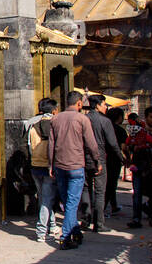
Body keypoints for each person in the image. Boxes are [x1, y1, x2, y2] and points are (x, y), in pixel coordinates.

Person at [46, 91, 100, 249]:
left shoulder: (55, 119)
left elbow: (51, 144)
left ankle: (76, 231)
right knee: (71, 203)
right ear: (79, 103)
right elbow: (91, 143)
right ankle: (65, 237)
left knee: (68, 201)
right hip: (76, 165)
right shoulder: (82, 119)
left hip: (60, 165)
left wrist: (51, 164)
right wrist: (97, 160)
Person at [86, 95, 125, 233]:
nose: (105, 107)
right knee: (99, 191)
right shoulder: (104, 121)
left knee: (86, 189)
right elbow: (113, 143)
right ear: (97, 105)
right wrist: (121, 156)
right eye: (104, 104)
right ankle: (99, 223)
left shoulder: (84, 119)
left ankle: (86, 219)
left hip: (83, 158)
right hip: (100, 158)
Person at [26, 97, 59, 243]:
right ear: (54, 110)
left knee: (44, 197)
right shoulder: (55, 125)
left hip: (35, 165)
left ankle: (52, 225)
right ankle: (41, 231)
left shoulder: (33, 126)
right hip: (49, 167)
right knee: (47, 198)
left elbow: (29, 147)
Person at [105, 107, 127, 216]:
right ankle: (103, 208)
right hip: (115, 160)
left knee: (107, 183)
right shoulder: (120, 130)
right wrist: (127, 158)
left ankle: (114, 205)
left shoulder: (104, 128)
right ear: (119, 117)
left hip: (103, 159)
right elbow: (124, 147)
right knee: (112, 184)